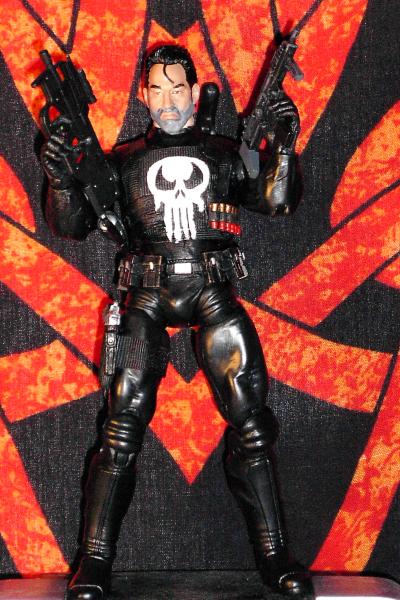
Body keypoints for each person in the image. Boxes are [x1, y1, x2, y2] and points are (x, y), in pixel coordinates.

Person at [42, 44, 312, 599]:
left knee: (252, 421)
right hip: (145, 293)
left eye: (178, 88)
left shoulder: (225, 153)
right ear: (144, 95)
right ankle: (94, 559)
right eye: (158, 90)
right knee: (121, 424)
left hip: (212, 289)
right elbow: (72, 225)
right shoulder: (123, 161)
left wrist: (284, 148)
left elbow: (277, 201)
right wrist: (63, 179)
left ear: (195, 91)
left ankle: (274, 554)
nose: (168, 101)